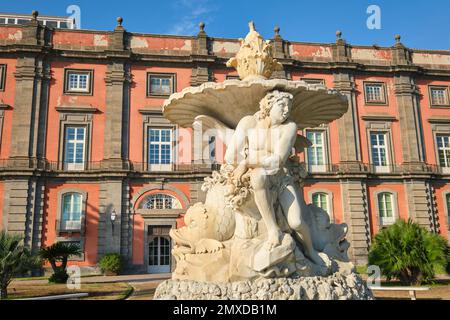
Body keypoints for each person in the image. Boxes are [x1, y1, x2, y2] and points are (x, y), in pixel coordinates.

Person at [224, 90, 326, 266]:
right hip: (257, 176)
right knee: (258, 177)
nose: (286, 110)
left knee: (296, 222)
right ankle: (273, 230)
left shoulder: (289, 127)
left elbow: (278, 160)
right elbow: (229, 156)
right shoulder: (249, 123)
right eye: (282, 106)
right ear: (268, 106)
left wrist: (247, 161)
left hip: (281, 179)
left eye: (289, 107)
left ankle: (310, 250)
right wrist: (257, 160)